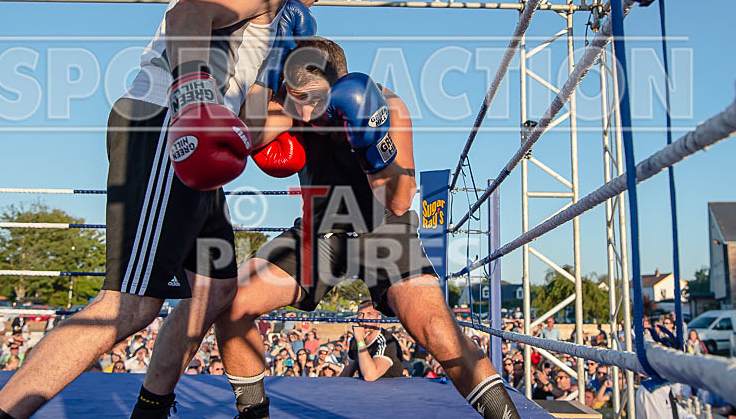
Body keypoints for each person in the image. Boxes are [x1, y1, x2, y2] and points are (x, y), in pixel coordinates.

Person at [0, 0, 344, 419]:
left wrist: (299, 109)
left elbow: (251, 124)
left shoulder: (271, 15)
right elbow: (189, 14)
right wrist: (194, 98)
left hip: (192, 138)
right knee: (127, 305)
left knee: (215, 290)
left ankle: (151, 408)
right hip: (166, 124)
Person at [214, 38, 520, 419]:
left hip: (384, 231)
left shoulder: (388, 107)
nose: (305, 113)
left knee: (438, 332)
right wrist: (267, 77)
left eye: (312, 99)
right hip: (320, 232)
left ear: (339, 84)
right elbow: (246, 135)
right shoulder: (293, 106)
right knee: (231, 304)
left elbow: (399, 201)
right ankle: (253, 414)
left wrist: (371, 142)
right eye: (295, 99)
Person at [338, 301, 403, 380]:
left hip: (390, 390)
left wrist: (360, 340)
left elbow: (370, 376)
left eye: (369, 314)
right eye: (361, 314)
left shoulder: (387, 341)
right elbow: (347, 372)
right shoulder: (354, 340)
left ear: (378, 319)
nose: (364, 318)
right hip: (364, 390)